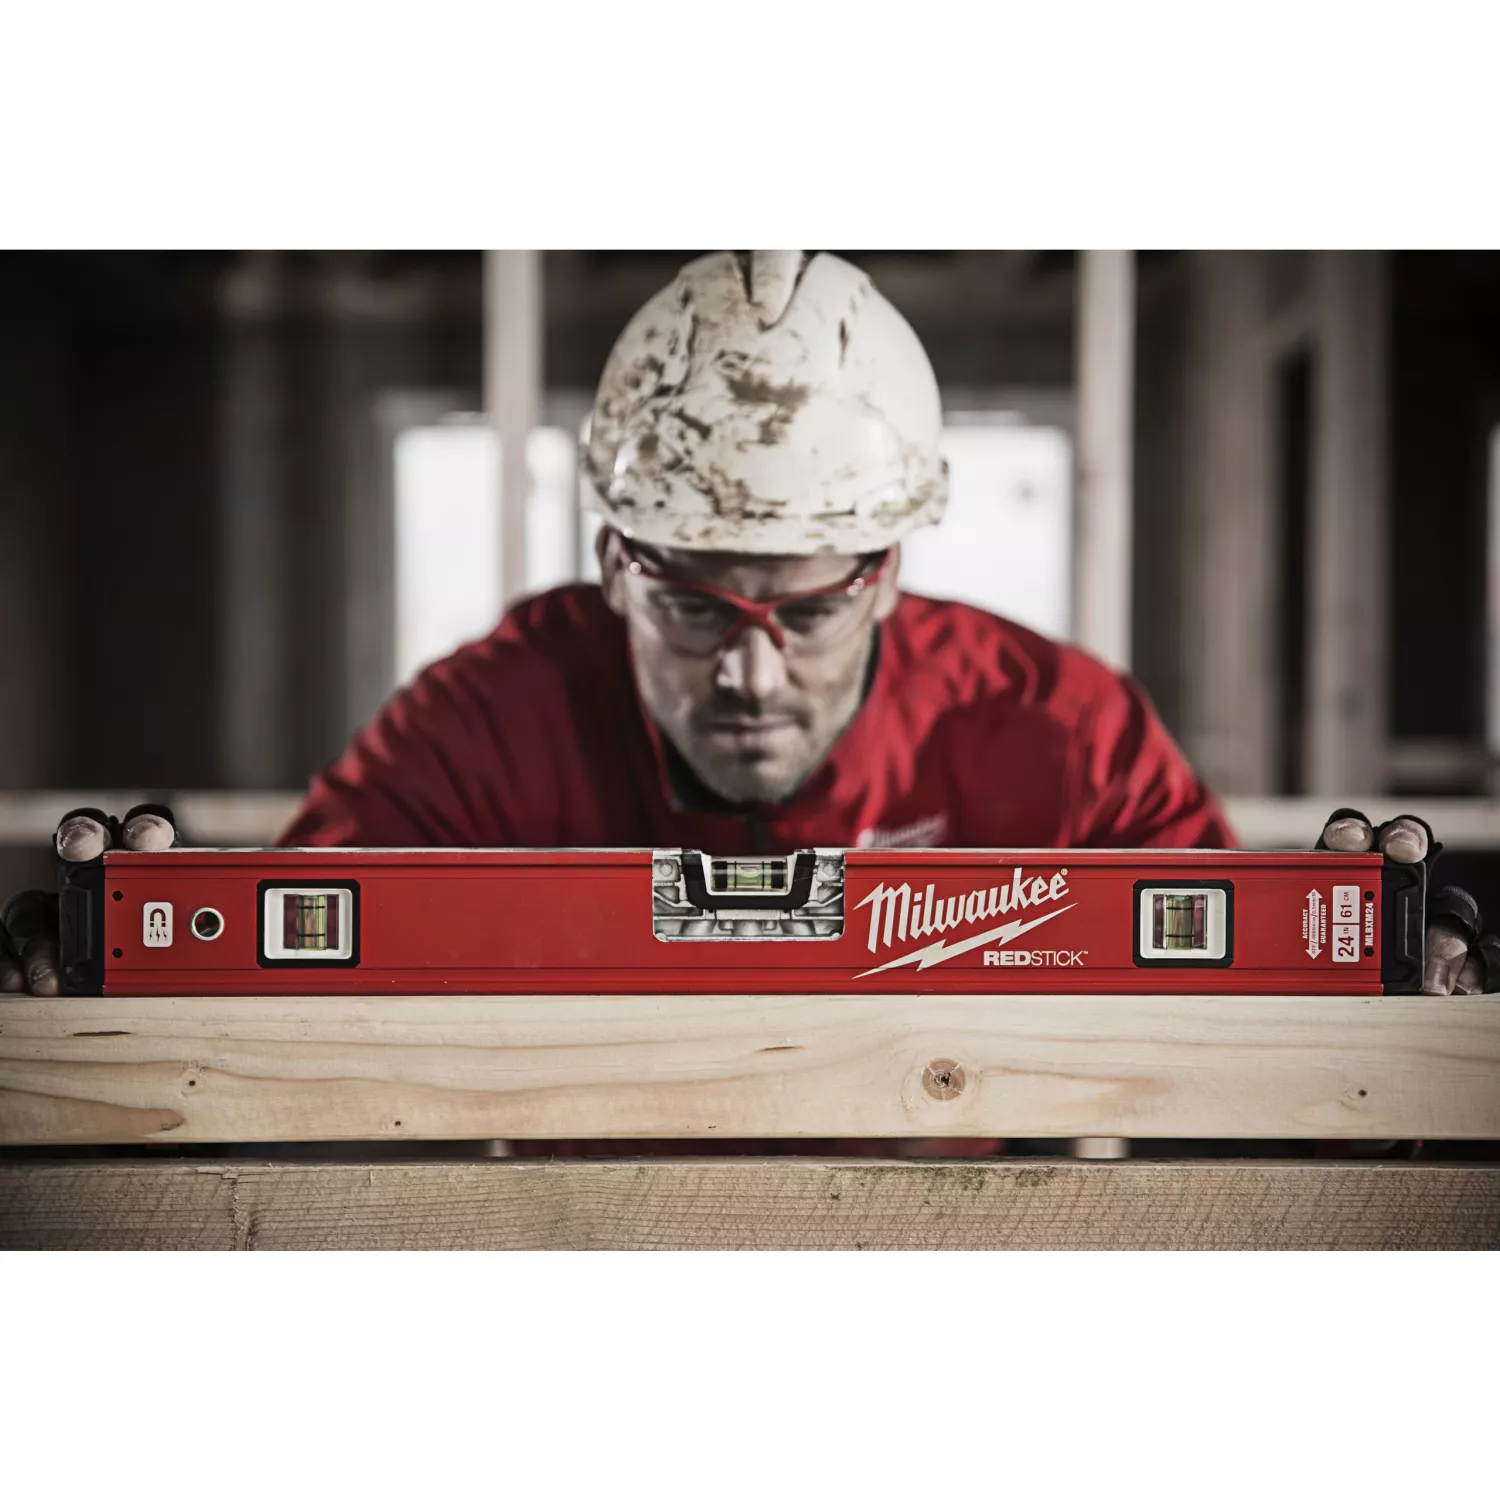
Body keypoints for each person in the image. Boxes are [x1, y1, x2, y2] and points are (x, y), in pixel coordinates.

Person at [3, 250, 1494, 1037]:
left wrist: (1392, 984)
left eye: (812, 608)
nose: (753, 673)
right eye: (698, 605)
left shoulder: (1058, 729)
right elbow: (277, 970)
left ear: (889, 574)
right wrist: (112, 980)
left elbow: (1260, 1004)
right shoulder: (490, 716)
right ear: (615, 565)